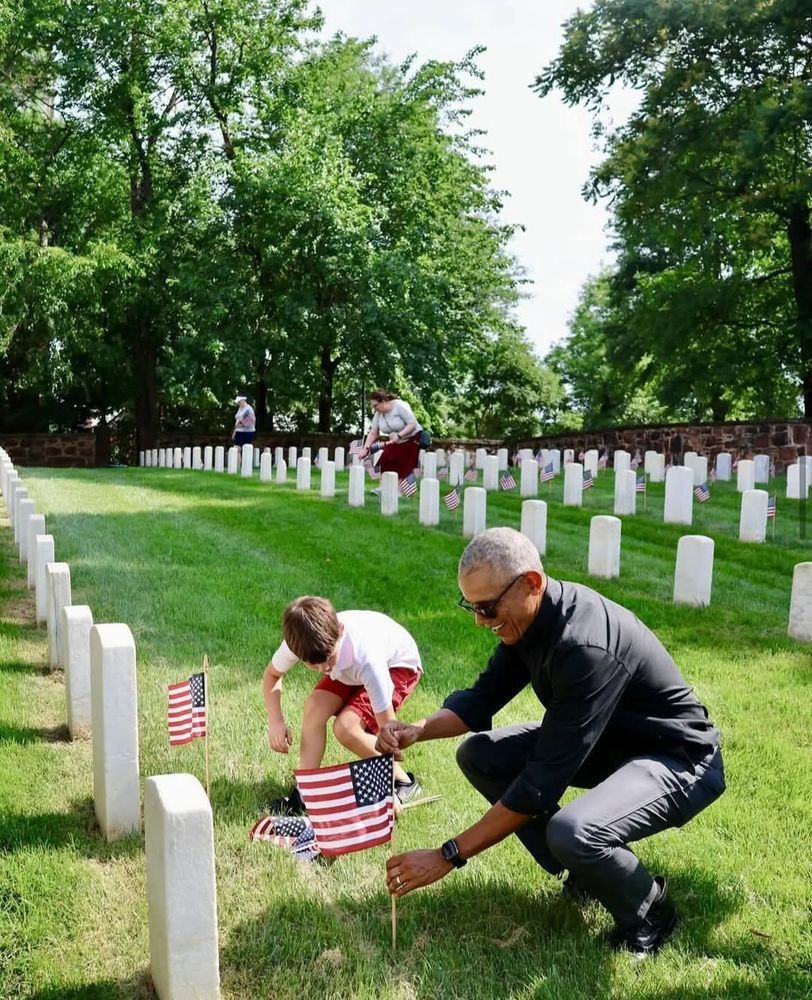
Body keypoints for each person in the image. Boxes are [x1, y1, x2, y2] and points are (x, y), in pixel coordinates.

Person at [378, 527, 725, 956]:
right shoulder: (528, 620)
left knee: (573, 830)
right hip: (609, 744)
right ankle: (585, 871)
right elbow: (482, 698)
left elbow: (539, 785)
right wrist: (418, 729)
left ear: (531, 583)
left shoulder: (584, 645)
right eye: (472, 607)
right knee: (480, 755)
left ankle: (651, 909)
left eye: (487, 608)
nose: (480, 621)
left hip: (680, 758)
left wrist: (448, 855)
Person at [263, 596, 424, 815]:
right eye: (313, 664)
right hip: (350, 670)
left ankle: (403, 783)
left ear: (339, 630)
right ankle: (306, 794)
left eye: (327, 659)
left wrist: (385, 789)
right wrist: (276, 721)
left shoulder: (367, 659)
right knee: (314, 707)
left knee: (346, 728)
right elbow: (272, 675)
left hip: (397, 665)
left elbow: (389, 733)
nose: (322, 669)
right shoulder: (301, 641)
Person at [358, 389, 423, 481]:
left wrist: (399, 436)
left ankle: (401, 488)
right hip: (395, 442)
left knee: (402, 465)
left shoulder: (399, 406)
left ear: (383, 401)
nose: (374, 408)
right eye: (372, 406)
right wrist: (365, 450)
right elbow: (373, 433)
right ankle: (384, 487)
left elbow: (412, 424)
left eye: (375, 405)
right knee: (383, 463)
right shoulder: (378, 414)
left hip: (412, 438)